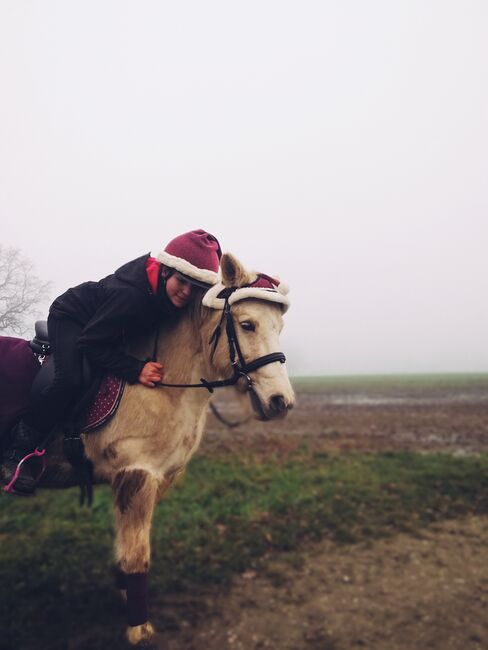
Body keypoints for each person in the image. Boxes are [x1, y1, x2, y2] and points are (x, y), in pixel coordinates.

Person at [0, 229, 222, 496]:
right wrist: (135, 369)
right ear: (166, 271)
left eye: (196, 288)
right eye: (182, 282)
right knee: (68, 378)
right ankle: (16, 454)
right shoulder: (131, 296)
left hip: (105, 325)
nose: (187, 292)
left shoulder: (165, 293)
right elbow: (91, 343)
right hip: (72, 318)